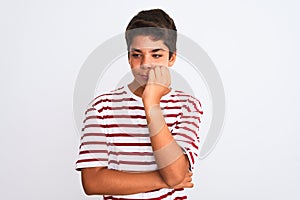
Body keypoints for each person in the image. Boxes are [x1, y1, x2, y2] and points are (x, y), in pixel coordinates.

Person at [75, 8, 203, 199]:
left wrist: (151, 102)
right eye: (137, 55)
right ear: (128, 57)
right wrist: (165, 180)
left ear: (172, 58)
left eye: (156, 55)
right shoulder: (101, 108)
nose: (145, 63)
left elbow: (175, 173)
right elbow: (92, 182)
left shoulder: (188, 106)